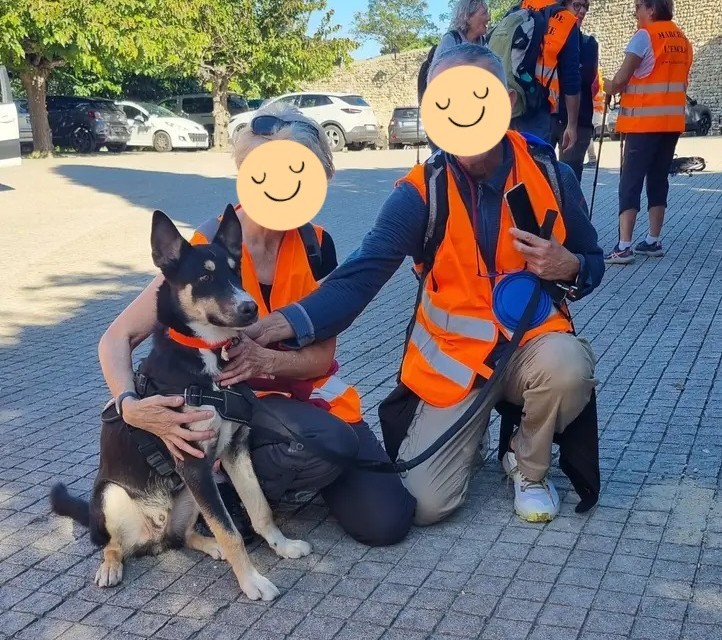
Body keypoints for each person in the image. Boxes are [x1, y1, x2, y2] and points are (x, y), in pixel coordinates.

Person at [223, 44, 605, 525]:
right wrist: (281, 323)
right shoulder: (421, 192)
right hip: (456, 367)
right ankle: (471, 435)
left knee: (568, 366)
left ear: (507, 100)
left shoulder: (551, 173)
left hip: (533, 348)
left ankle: (527, 466)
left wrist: (567, 265)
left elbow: (593, 264)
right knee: (423, 507)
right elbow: (361, 275)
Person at [97, 101, 416, 547]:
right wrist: (129, 405)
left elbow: (321, 358)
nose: (282, 186)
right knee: (325, 442)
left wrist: (264, 359)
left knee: (387, 521)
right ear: (246, 173)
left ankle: (293, 471)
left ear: (322, 178)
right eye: (268, 172)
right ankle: (229, 492)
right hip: (237, 409)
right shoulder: (207, 245)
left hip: (310, 401)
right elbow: (117, 337)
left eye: (298, 174)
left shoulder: (317, 245)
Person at [603, 0, 693, 264]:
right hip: (671, 122)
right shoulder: (682, 39)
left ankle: (624, 246)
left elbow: (620, 80)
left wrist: (606, 85)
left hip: (643, 123)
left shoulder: (645, 36)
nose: (635, 11)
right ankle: (653, 240)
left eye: (638, 6)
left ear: (651, 9)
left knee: (630, 181)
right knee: (658, 178)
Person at [509, 0, 581, 148]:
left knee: (510, 158)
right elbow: (571, 79)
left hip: (509, 101)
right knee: (536, 160)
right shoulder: (565, 20)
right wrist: (572, 125)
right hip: (537, 106)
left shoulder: (517, 9)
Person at [425, 0, 491, 153]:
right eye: (484, 13)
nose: (488, 18)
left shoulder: (484, 43)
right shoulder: (451, 41)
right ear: (467, 17)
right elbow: (435, 80)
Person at [550, 0, 599, 181]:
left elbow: (584, 78)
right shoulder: (549, 39)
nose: (582, 11)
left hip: (578, 121)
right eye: (577, 5)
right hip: (550, 117)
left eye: (585, 7)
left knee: (569, 183)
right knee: (540, 180)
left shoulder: (588, 43)